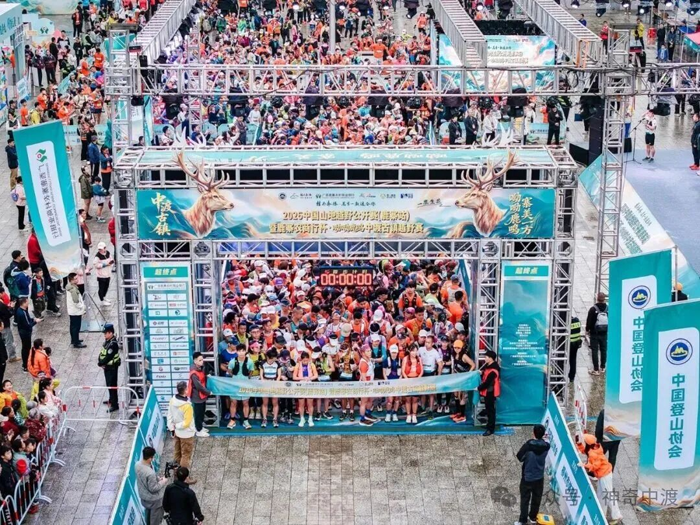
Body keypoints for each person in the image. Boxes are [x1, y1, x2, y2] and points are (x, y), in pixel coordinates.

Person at [577, 433, 623, 524]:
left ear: (587, 443)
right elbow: (584, 451)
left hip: (604, 475)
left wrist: (585, 465)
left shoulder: (593, 453)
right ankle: (602, 514)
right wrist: (579, 444)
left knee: (608, 494)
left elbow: (595, 466)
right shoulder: (594, 448)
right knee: (601, 495)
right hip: (603, 474)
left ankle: (617, 515)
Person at [515, 424, 550, 525]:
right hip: (539, 477)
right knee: (537, 498)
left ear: (533, 433)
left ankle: (523, 520)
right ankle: (533, 517)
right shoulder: (546, 446)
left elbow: (519, 457)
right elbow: (546, 443)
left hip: (527, 477)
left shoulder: (528, 445)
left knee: (525, 499)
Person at [166, 381, 197, 479]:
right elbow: (186, 423)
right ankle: (184, 478)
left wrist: (172, 428)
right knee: (186, 455)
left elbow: (169, 416)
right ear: (186, 390)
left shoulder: (172, 400)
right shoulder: (187, 406)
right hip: (186, 434)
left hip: (177, 433)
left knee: (177, 453)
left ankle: (176, 474)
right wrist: (176, 426)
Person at [135, 446, 169, 525]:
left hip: (144, 497)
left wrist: (157, 479)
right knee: (155, 520)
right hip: (154, 500)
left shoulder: (137, 465)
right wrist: (163, 481)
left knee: (148, 515)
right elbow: (153, 488)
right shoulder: (150, 473)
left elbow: (144, 479)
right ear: (150, 458)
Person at [97, 323, 120, 412]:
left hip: (112, 368)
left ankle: (115, 404)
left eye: (106, 333)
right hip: (107, 367)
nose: (104, 335)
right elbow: (103, 352)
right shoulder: (107, 341)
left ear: (111, 333)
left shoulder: (113, 344)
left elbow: (109, 357)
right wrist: (100, 361)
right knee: (109, 384)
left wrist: (101, 363)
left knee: (112, 385)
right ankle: (111, 399)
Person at [187, 352, 211, 437]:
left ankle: (200, 426)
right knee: (198, 414)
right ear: (195, 361)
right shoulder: (194, 373)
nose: (202, 362)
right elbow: (199, 386)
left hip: (202, 395)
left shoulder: (200, 368)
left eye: (202, 360)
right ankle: (198, 430)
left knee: (202, 412)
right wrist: (208, 392)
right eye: (200, 360)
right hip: (197, 396)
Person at [478, 350, 501, 436]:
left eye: (486, 357)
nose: (485, 358)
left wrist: (478, 388)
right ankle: (489, 425)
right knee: (488, 409)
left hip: (490, 392)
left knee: (491, 410)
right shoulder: (488, 366)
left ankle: (490, 429)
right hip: (487, 392)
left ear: (491, 358)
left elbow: (487, 383)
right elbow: (485, 375)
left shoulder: (493, 370)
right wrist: (481, 373)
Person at [15, 297, 41, 372]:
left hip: (22, 331)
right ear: (23, 303)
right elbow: (28, 325)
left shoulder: (20, 310)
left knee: (25, 348)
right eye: (27, 302)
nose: (28, 303)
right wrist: (36, 321)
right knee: (26, 348)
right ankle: (26, 365)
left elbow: (28, 319)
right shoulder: (22, 313)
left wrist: (33, 319)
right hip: (25, 332)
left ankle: (26, 363)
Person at [586, 292, 608, 376]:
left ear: (597, 298)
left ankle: (596, 369)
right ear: (604, 299)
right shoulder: (608, 309)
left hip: (594, 333)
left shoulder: (593, 309)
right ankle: (603, 367)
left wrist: (587, 330)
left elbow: (589, 321)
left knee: (594, 350)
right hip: (604, 332)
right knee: (603, 350)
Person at [66, 272, 86, 348]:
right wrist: (82, 306)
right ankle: (76, 342)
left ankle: (74, 339)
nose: (77, 280)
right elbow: (76, 301)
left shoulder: (69, 286)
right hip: (75, 311)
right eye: (75, 279)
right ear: (71, 280)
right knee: (76, 327)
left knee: (72, 326)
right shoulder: (73, 290)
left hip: (72, 311)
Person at [94, 241, 114, 306]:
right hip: (101, 275)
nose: (100, 250)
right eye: (99, 249)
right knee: (101, 288)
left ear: (105, 248)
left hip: (108, 273)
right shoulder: (97, 256)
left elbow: (111, 259)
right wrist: (104, 265)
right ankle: (102, 300)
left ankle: (104, 297)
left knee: (106, 287)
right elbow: (95, 265)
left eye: (101, 249)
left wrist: (111, 262)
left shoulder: (108, 253)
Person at [568, 315, 582, 382]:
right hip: (576, 343)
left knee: (562, 360)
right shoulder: (577, 320)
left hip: (568, 344)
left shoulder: (566, 322)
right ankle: (572, 377)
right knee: (573, 360)